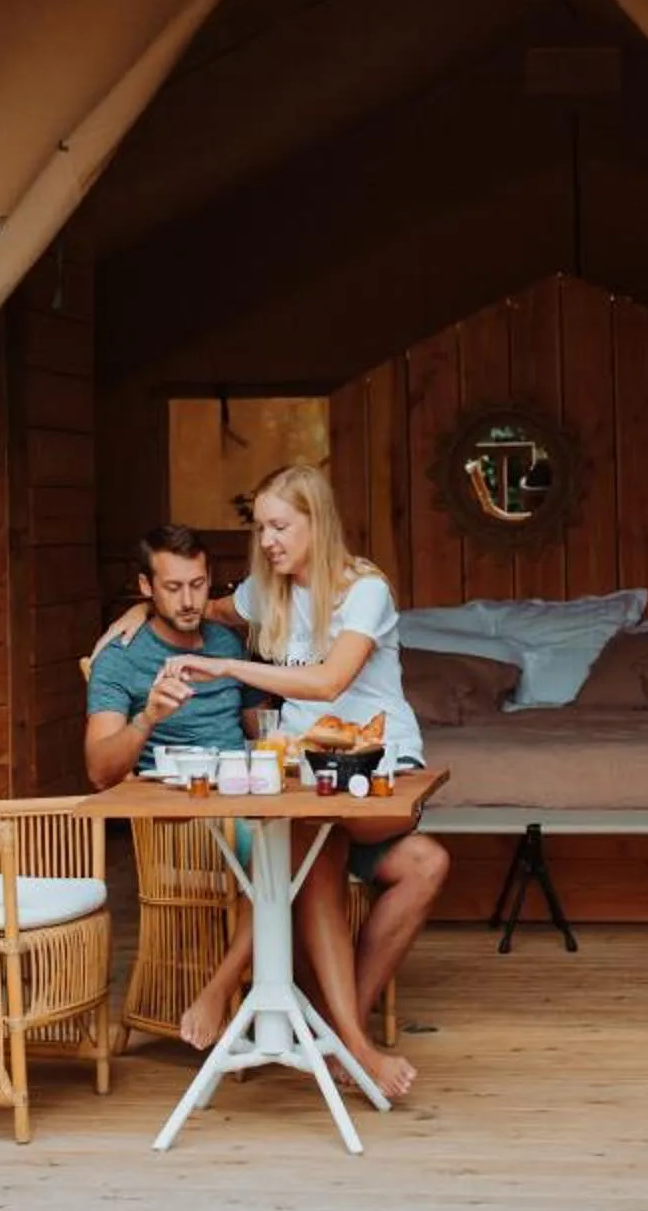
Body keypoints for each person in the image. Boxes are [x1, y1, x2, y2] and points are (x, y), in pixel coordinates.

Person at [106, 463, 448, 1100]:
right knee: (419, 863)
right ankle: (350, 1039)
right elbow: (191, 605)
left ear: (317, 522)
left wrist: (233, 664)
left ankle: (330, 1028)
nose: (266, 540)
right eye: (261, 526)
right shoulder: (267, 593)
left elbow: (327, 683)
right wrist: (136, 607)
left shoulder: (363, 591)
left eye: (280, 526)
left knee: (313, 832)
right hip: (307, 778)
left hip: (380, 770)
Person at [83, 525, 251, 790]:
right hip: (174, 814)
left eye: (197, 585)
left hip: (242, 795)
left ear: (209, 578)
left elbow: (263, 733)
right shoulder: (121, 657)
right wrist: (147, 718)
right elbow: (99, 773)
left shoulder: (228, 643)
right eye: (173, 588)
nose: (188, 601)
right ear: (146, 586)